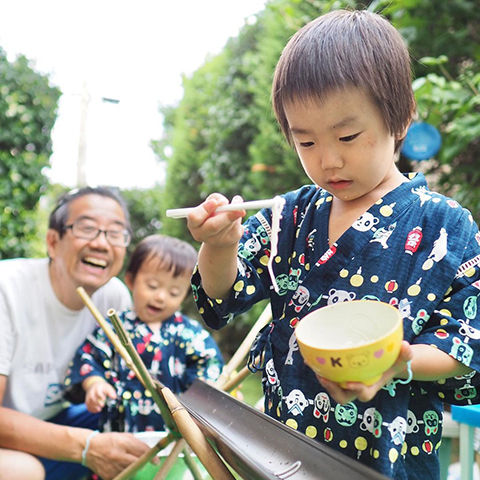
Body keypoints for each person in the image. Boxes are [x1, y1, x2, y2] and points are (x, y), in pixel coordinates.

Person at [186, 9, 480, 479]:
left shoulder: (447, 227)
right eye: (305, 142)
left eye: (347, 135)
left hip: (390, 458)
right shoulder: (290, 216)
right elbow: (224, 295)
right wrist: (220, 245)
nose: (328, 160)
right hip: (285, 453)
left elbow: (466, 344)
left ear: (400, 117)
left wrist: (401, 363)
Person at [0, 187, 152, 480]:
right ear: (53, 242)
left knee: (133, 419)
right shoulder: (7, 288)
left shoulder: (114, 298)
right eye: (87, 228)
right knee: (24, 472)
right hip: (13, 447)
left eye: (115, 233)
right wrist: (85, 447)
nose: (101, 243)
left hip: (47, 425)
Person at [65, 234, 224, 433]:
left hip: (173, 435)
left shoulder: (189, 334)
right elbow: (88, 358)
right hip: (119, 433)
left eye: (174, 292)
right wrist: (95, 384)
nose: (160, 297)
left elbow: (209, 363)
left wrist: (204, 394)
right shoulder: (114, 328)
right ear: (131, 281)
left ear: (184, 295)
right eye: (152, 286)